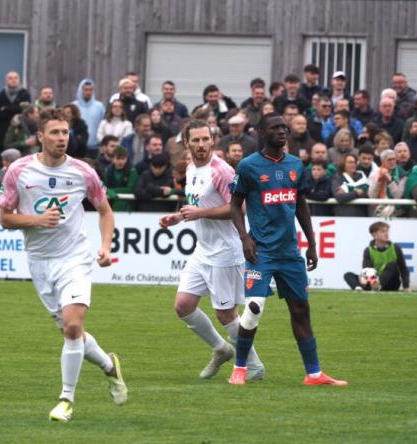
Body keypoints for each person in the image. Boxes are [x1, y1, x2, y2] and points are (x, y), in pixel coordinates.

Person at [0, 108, 127, 422]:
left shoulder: (82, 171)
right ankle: (110, 366)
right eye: (54, 133)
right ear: (40, 136)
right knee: (73, 332)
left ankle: (66, 399)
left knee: (72, 326)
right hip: (41, 263)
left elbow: (106, 211)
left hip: (75, 259)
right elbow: (5, 219)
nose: (60, 139)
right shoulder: (18, 170)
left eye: (64, 133)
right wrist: (36, 220)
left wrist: (106, 247)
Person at [228, 112, 347, 386]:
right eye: (275, 128)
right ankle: (240, 368)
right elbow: (235, 204)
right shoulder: (248, 166)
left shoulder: (295, 164)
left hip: (290, 252)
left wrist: (312, 243)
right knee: (255, 307)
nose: (282, 131)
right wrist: (245, 238)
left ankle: (314, 374)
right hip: (261, 251)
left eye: (284, 127)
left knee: (301, 309)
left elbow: (301, 205)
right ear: (261, 132)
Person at [158, 119, 264, 381]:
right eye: (196, 140)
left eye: (206, 139)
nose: (202, 144)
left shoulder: (222, 170)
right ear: (187, 143)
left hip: (226, 251)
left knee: (225, 313)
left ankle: (254, 365)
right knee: (183, 306)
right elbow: (195, 206)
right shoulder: (192, 168)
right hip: (203, 249)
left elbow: (237, 209)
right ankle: (221, 349)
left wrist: (199, 213)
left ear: (212, 140)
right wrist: (178, 217)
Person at [344, 222, 411, 292]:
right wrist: (367, 280)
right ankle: (359, 288)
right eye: (383, 231)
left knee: (392, 265)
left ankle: (377, 286)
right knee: (348, 275)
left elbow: (403, 269)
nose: (386, 234)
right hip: (373, 281)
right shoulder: (368, 250)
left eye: (387, 231)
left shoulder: (395, 248)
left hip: (391, 283)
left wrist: (406, 286)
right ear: (374, 235)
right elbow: (366, 270)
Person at [0, 71, 31, 152]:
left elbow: (25, 110)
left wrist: (6, 108)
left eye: (15, 78)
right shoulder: (0, 95)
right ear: (6, 81)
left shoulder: (25, 94)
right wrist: (15, 109)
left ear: (19, 80)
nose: (13, 80)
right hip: (3, 133)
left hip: (21, 131)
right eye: (10, 78)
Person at [73, 78, 105, 155]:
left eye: (90, 90)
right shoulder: (74, 106)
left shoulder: (99, 106)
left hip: (94, 146)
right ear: (81, 90)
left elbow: (103, 124)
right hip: (77, 147)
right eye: (86, 90)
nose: (88, 92)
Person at [103, 145, 138, 212]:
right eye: (118, 159)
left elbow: (130, 189)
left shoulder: (132, 171)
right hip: (111, 202)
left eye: (123, 159)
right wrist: (107, 191)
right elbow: (104, 187)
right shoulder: (108, 170)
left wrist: (111, 191)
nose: (121, 161)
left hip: (127, 202)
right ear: (112, 159)